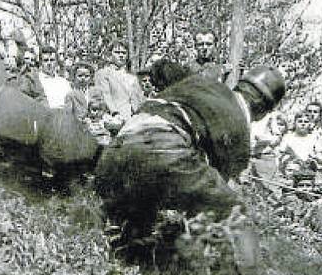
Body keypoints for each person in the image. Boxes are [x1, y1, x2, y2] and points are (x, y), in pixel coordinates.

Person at [94, 64, 286, 261]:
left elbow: (164, 68)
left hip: (111, 158)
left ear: (240, 85)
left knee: (152, 191)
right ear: (263, 110)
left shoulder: (200, 83)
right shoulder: (241, 130)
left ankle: (121, 236)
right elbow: (214, 189)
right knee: (234, 209)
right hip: (161, 154)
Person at [92, 39, 144, 122]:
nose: (121, 55)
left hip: (131, 119)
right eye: (117, 52)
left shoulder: (132, 78)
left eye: (123, 53)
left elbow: (137, 101)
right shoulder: (102, 73)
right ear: (109, 55)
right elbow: (105, 95)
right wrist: (115, 113)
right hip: (111, 117)